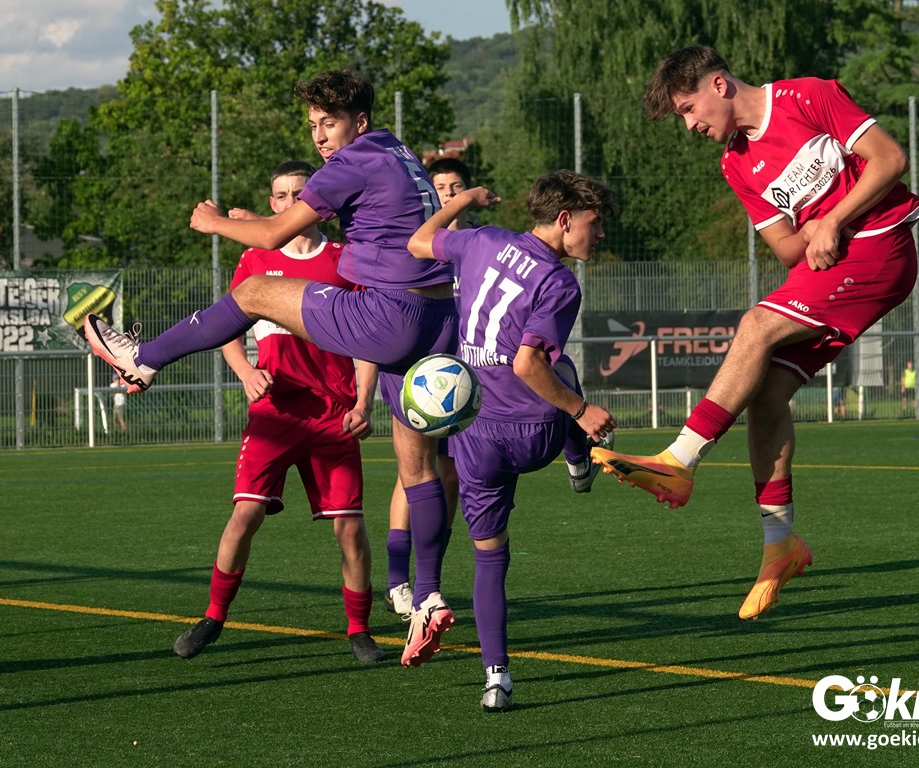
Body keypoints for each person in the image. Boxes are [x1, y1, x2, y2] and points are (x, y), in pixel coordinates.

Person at [84, 68, 458, 668]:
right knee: (419, 469)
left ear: (359, 121)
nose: (320, 136)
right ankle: (429, 597)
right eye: (313, 124)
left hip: (391, 315)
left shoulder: (352, 160)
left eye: (329, 122)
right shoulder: (398, 150)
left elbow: (274, 234)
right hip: (438, 317)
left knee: (255, 290)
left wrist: (215, 222)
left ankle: (142, 358)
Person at [592, 45, 919, 620]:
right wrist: (817, 230)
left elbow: (890, 158)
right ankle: (780, 546)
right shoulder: (736, 163)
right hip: (829, 266)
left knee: (755, 324)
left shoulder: (808, 96)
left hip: (881, 247)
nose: (690, 125)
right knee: (766, 396)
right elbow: (788, 248)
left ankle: (680, 460)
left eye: (689, 109)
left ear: (719, 85)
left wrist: (832, 218)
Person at [408, 170, 619, 711]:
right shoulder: (560, 282)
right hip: (535, 434)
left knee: (489, 559)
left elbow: (418, 242)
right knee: (562, 369)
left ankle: (496, 677)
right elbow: (528, 364)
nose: (600, 235)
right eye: (594, 224)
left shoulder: (482, 239)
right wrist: (581, 411)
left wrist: (463, 201)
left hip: (476, 435)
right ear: (565, 219)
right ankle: (577, 459)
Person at [171, 161, 384, 663]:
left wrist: (363, 402)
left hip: (333, 414)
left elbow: (369, 339)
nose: (290, 202)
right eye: (281, 196)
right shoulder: (255, 259)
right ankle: (213, 617)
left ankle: (359, 630)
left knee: (350, 528)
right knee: (244, 514)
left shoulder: (346, 260)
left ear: (319, 200)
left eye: (299, 194)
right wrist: (245, 372)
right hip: (274, 413)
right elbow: (224, 325)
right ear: (272, 205)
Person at [383, 158, 472, 620]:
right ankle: (398, 580)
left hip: (465, 376)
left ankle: (428, 577)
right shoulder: (417, 242)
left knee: (450, 473)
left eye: (457, 186)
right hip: (419, 373)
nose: (449, 194)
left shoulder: (480, 244)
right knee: (412, 471)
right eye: (441, 187)